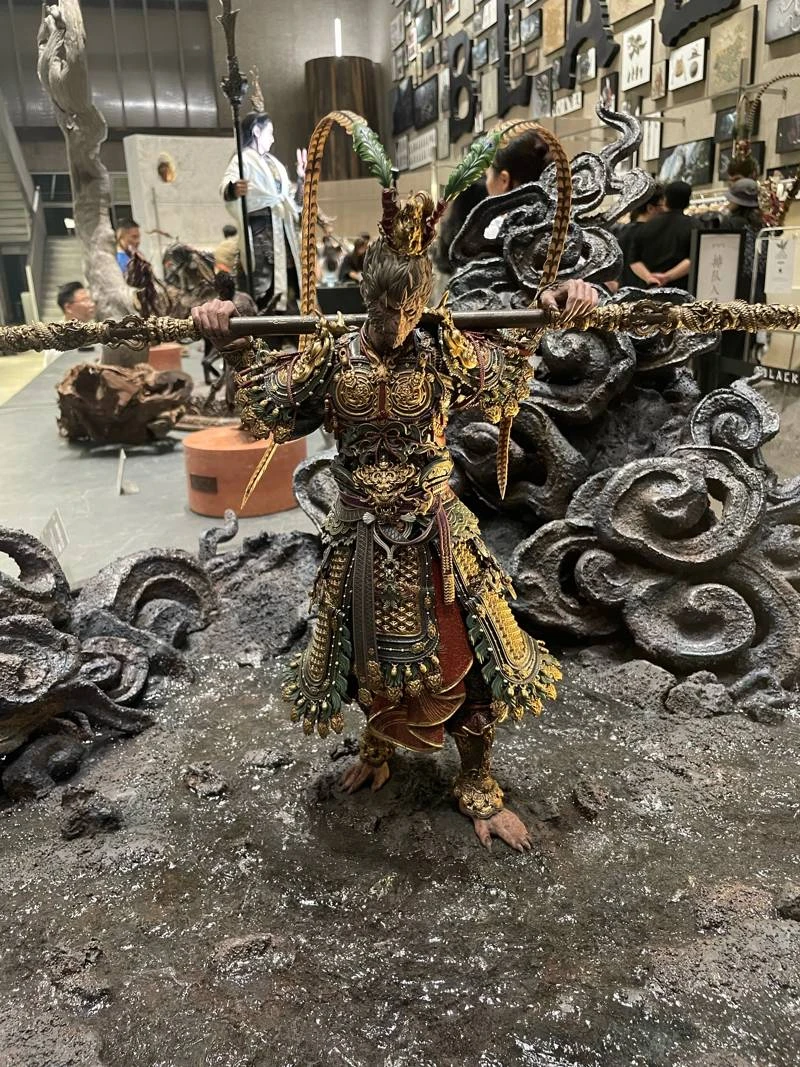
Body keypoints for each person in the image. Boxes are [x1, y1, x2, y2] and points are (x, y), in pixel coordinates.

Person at [192, 113, 598, 852]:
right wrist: (233, 335)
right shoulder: (331, 354)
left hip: (434, 529)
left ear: (424, 297)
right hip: (359, 531)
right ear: (365, 294)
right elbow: (269, 409)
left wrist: (554, 310)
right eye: (383, 307)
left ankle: (476, 778)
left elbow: (506, 382)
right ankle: (377, 745)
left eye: (409, 306)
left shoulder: (442, 347)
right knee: (356, 653)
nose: (396, 320)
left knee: (467, 652)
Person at [220, 111, 305, 312]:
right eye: (270, 132)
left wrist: (301, 178)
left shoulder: (275, 164)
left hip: (283, 233)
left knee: (289, 285)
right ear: (257, 131)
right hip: (261, 235)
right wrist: (234, 189)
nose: (273, 138)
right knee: (263, 288)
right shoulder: (243, 159)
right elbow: (227, 185)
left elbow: (293, 203)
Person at [628, 180, 695, 289]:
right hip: (683, 290)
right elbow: (694, 258)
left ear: (665, 199)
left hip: (649, 290)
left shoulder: (646, 226)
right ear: (688, 201)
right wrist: (667, 277)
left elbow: (634, 260)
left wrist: (649, 277)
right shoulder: (695, 226)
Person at [608, 185, 665, 292]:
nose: (664, 210)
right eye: (661, 205)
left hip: (624, 292)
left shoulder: (623, 230)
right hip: (646, 292)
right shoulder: (652, 234)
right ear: (650, 208)